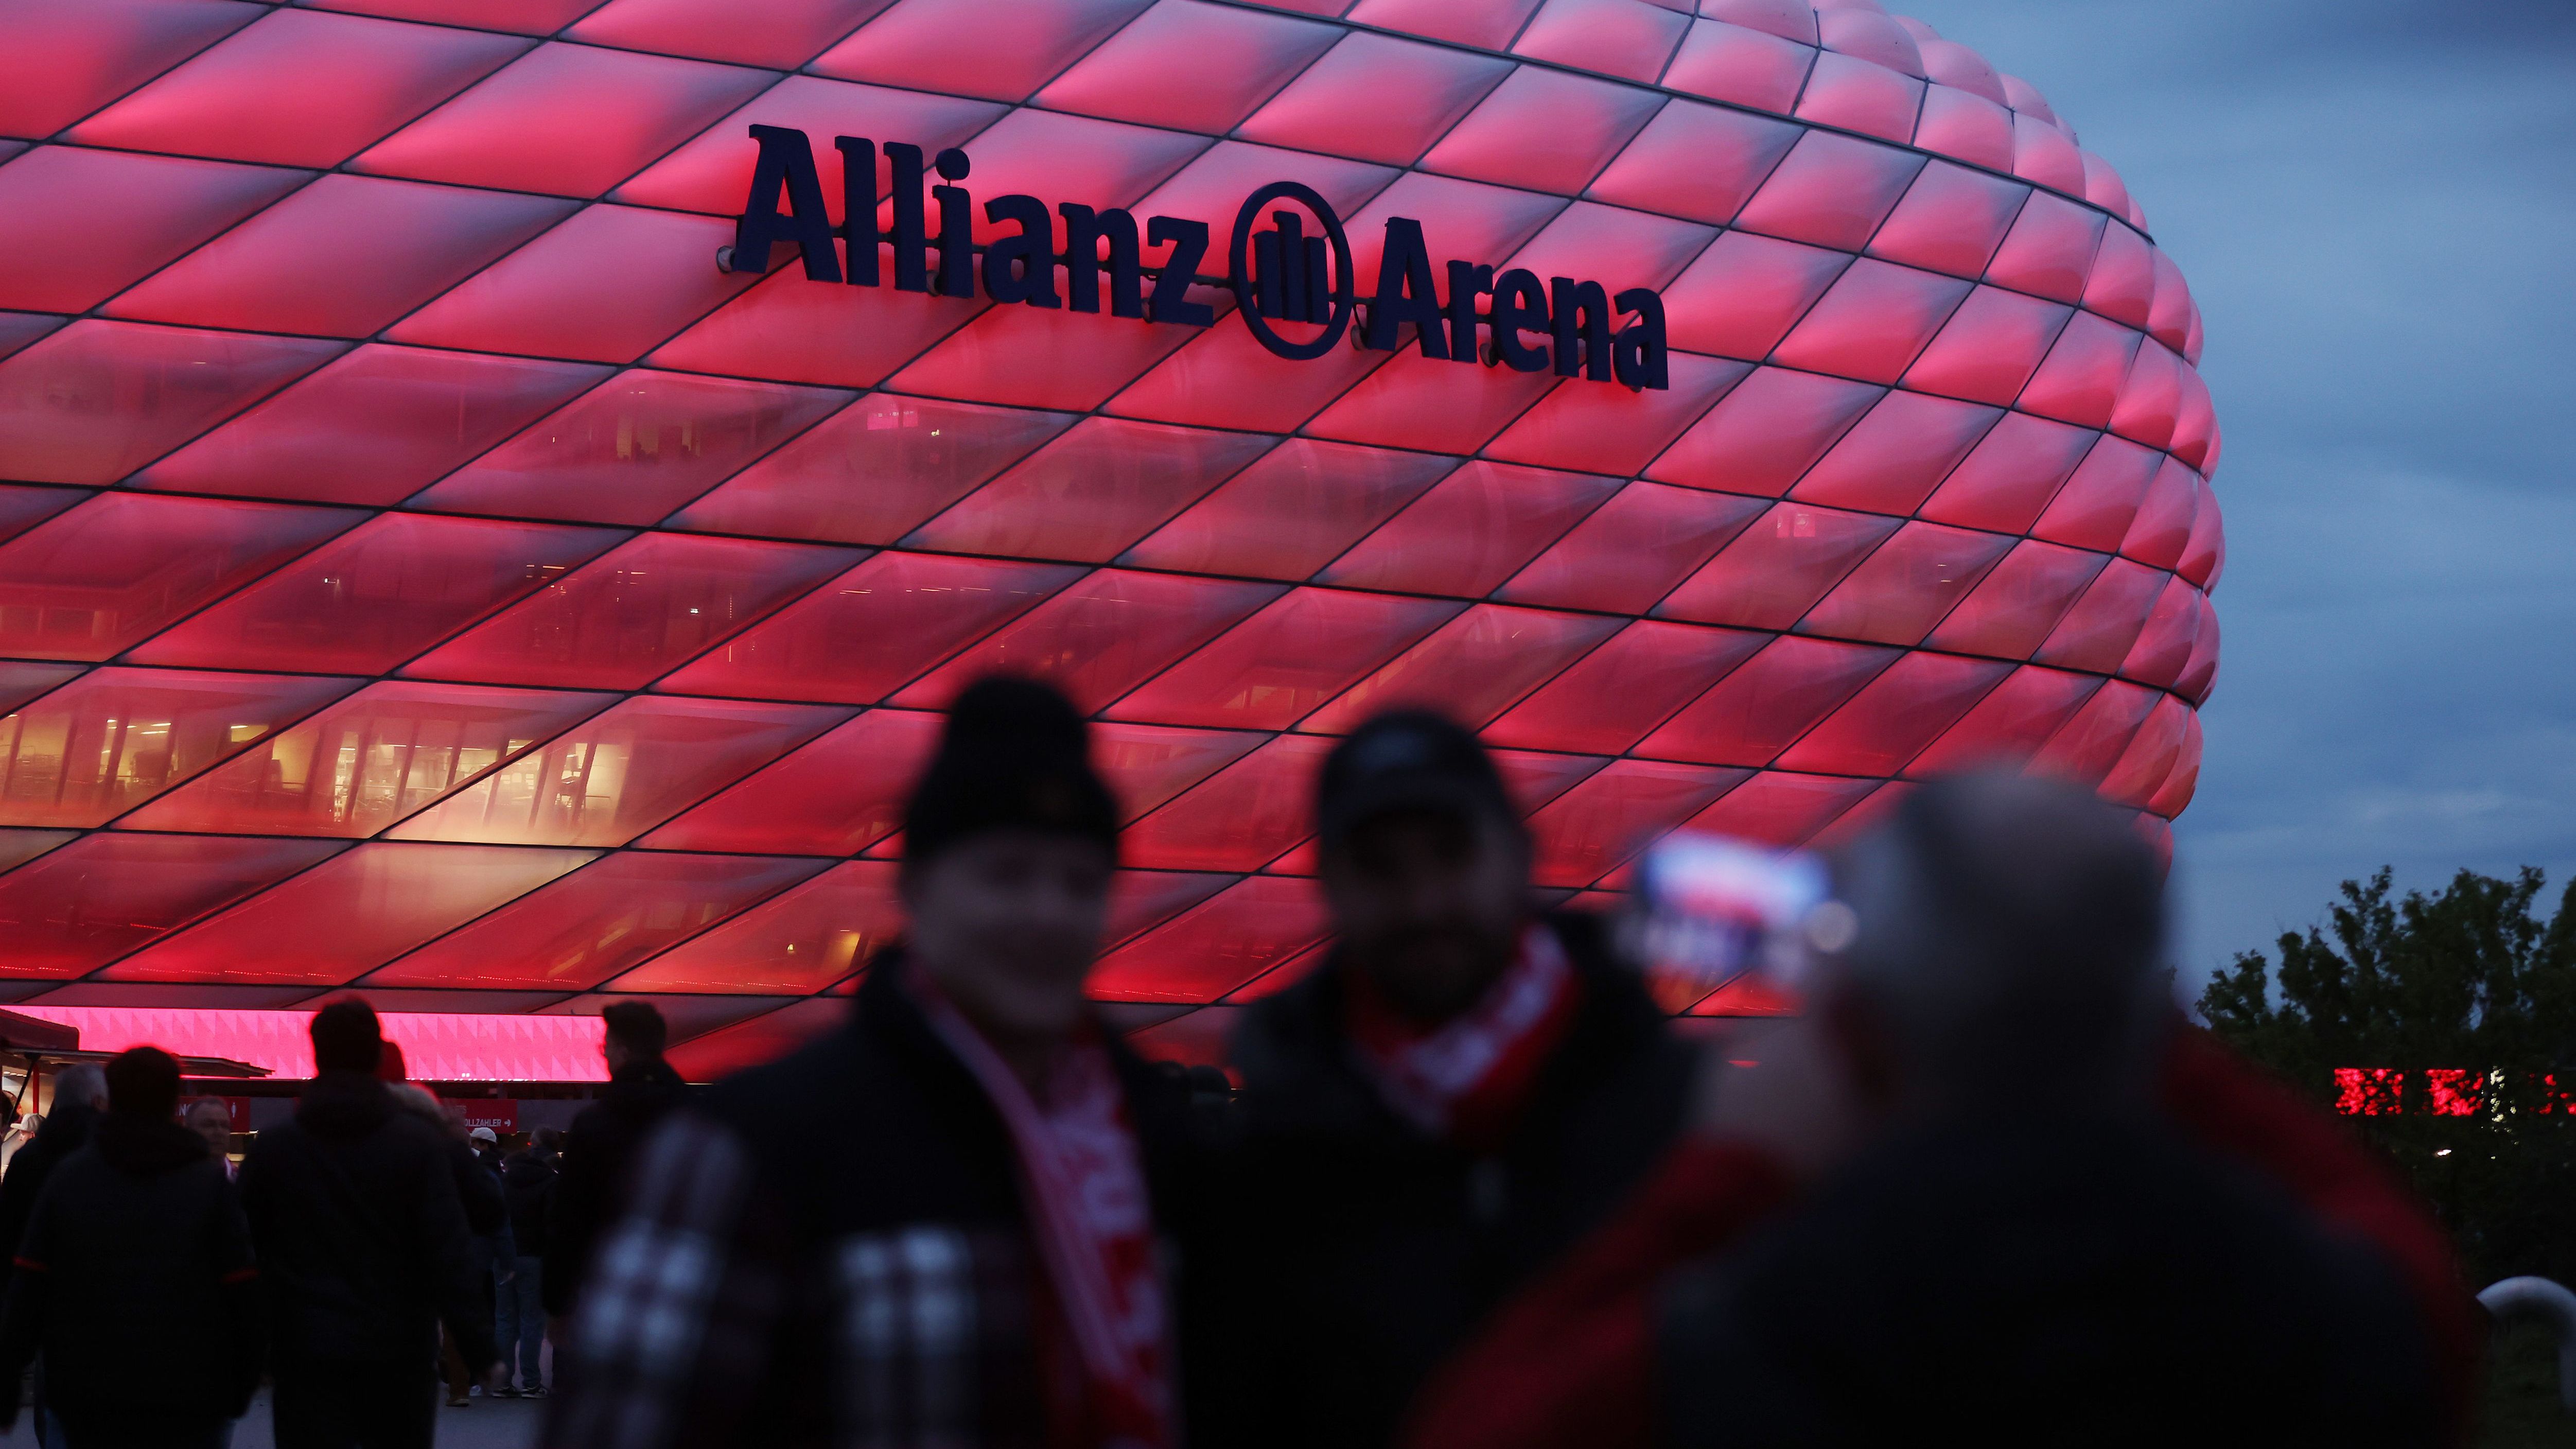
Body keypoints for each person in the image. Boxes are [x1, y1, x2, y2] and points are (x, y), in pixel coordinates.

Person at [1403, 774, 2474, 1449]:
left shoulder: (1772, 1328)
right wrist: (2098, 1001)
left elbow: (1485, 1419)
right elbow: (2408, 1258)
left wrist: (1733, 1167)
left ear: (1860, 1034)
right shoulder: (2315, 1318)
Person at [544, 677, 1212, 1449]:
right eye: (1006, 874)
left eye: (1080, 883)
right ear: (915, 886)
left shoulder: (1162, 1142)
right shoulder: (755, 1146)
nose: (1046, 913)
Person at [1188, 711, 1693, 1449]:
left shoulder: (1677, 1115)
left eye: (1451, 854)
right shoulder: (1268, 1169)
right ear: (1328, 884)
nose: (1423, 903)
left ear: (1520, 855)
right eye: (1381, 867)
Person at [240, 999, 503, 1449]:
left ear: (317, 1054)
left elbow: (248, 1251)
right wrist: (478, 1345)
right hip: (398, 1348)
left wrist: (248, 1353)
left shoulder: (276, 1148)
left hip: (306, 1350)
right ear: (375, 1054)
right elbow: (448, 1248)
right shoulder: (417, 1142)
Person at [0, 1048, 258, 1449]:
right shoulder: (207, 1184)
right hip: (188, 1390)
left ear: (112, 1099)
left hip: (90, 1390)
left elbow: (28, 1283)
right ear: (173, 1101)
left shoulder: (71, 1178)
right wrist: (241, 1382)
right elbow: (242, 1290)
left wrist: (9, 1375)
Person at [542, 1003, 687, 1324]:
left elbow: (569, 1219)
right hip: (680, 1290)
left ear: (622, 1051)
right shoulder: (695, 1116)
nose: (604, 1054)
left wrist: (557, 1303)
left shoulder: (594, 1124)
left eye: (605, 1047)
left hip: (605, 1288)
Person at [0, 1066, 106, 1270]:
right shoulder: (105, 1156)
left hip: (28, 1270)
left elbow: (8, 1225)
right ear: (98, 1102)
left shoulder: (26, 1158)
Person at [498, 1135, 555, 1396]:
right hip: (534, 1256)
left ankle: (502, 1382)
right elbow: (552, 1223)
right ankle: (531, 1382)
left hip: (504, 1256)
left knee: (504, 1319)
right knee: (532, 1320)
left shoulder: (504, 1181)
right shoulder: (549, 1182)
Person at [185, 1099, 237, 1179]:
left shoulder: (243, 1181)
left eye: (225, 1126)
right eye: (209, 1125)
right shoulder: (171, 1179)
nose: (219, 1132)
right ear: (189, 1131)